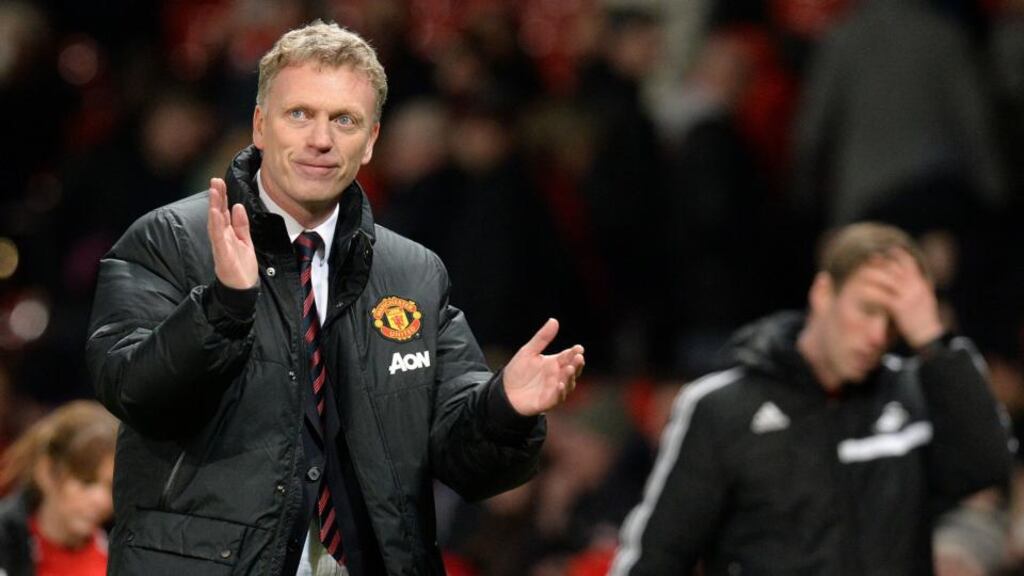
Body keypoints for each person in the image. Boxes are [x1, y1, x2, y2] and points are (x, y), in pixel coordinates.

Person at [86, 20, 585, 576]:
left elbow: (466, 464)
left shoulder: (413, 273)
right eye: (299, 113)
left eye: (343, 120)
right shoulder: (171, 240)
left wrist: (504, 408)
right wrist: (223, 307)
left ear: (371, 140)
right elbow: (132, 390)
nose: (321, 139)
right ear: (259, 125)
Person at [610, 222, 1012, 575]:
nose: (877, 335)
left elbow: (987, 466)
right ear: (823, 292)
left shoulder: (914, 395)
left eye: (894, 321)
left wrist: (933, 342)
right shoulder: (724, 408)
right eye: (867, 309)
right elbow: (656, 557)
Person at [0, 400, 118, 576]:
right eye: (86, 482)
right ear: (46, 471)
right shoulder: (6, 546)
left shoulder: (121, 556)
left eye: (110, 486)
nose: (102, 500)